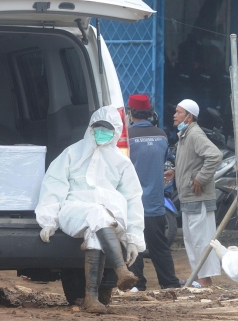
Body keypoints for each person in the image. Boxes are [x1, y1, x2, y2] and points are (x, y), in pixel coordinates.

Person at [35, 105, 145, 314]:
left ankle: (91, 297)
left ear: (116, 131)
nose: (102, 132)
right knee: (97, 214)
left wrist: (133, 238)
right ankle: (121, 269)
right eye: (98, 127)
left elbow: (133, 199)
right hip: (73, 210)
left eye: (108, 129)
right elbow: (54, 185)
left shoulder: (122, 162)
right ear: (90, 127)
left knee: (97, 228)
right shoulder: (72, 153)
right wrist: (49, 220)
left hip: (108, 217)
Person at [164, 99, 222, 287]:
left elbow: (214, 155)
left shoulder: (195, 134)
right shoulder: (185, 135)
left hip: (199, 198)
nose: (175, 115)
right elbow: (190, 162)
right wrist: (175, 170)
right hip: (190, 197)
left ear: (189, 116)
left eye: (179, 112)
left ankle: (204, 281)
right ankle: (199, 277)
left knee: (201, 240)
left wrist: (201, 178)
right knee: (192, 239)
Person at [126, 94, 181, 291]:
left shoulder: (127, 137)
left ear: (130, 112)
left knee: (134, 244)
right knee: (159, 246)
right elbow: (167, 158)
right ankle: (170, 284)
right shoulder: (162, 135)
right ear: (150, 112)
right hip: (156, 203)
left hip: (133, 204)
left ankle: (137, 283)